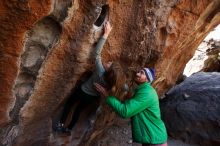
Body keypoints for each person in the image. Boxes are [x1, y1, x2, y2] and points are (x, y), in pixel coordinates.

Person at [54, 21, 112, 134]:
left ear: (108, 70)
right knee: (78, 111)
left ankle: (61, 124)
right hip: (91, 98)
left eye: (110, 64)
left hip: (83, 91)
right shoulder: (110, 80)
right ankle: (69, 129)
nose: (108, 61)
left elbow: (96, 54)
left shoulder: (100, 70)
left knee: (70, 104)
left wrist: (105, 35)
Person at [94, 68, 168, 146]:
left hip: (155, 138)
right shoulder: (142, 90)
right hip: (151, 137)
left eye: (142, 73)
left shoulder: (147, 93)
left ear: (147, 79)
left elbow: (125, 111)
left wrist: (107, 96)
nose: (137, 74)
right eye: (139, 71)